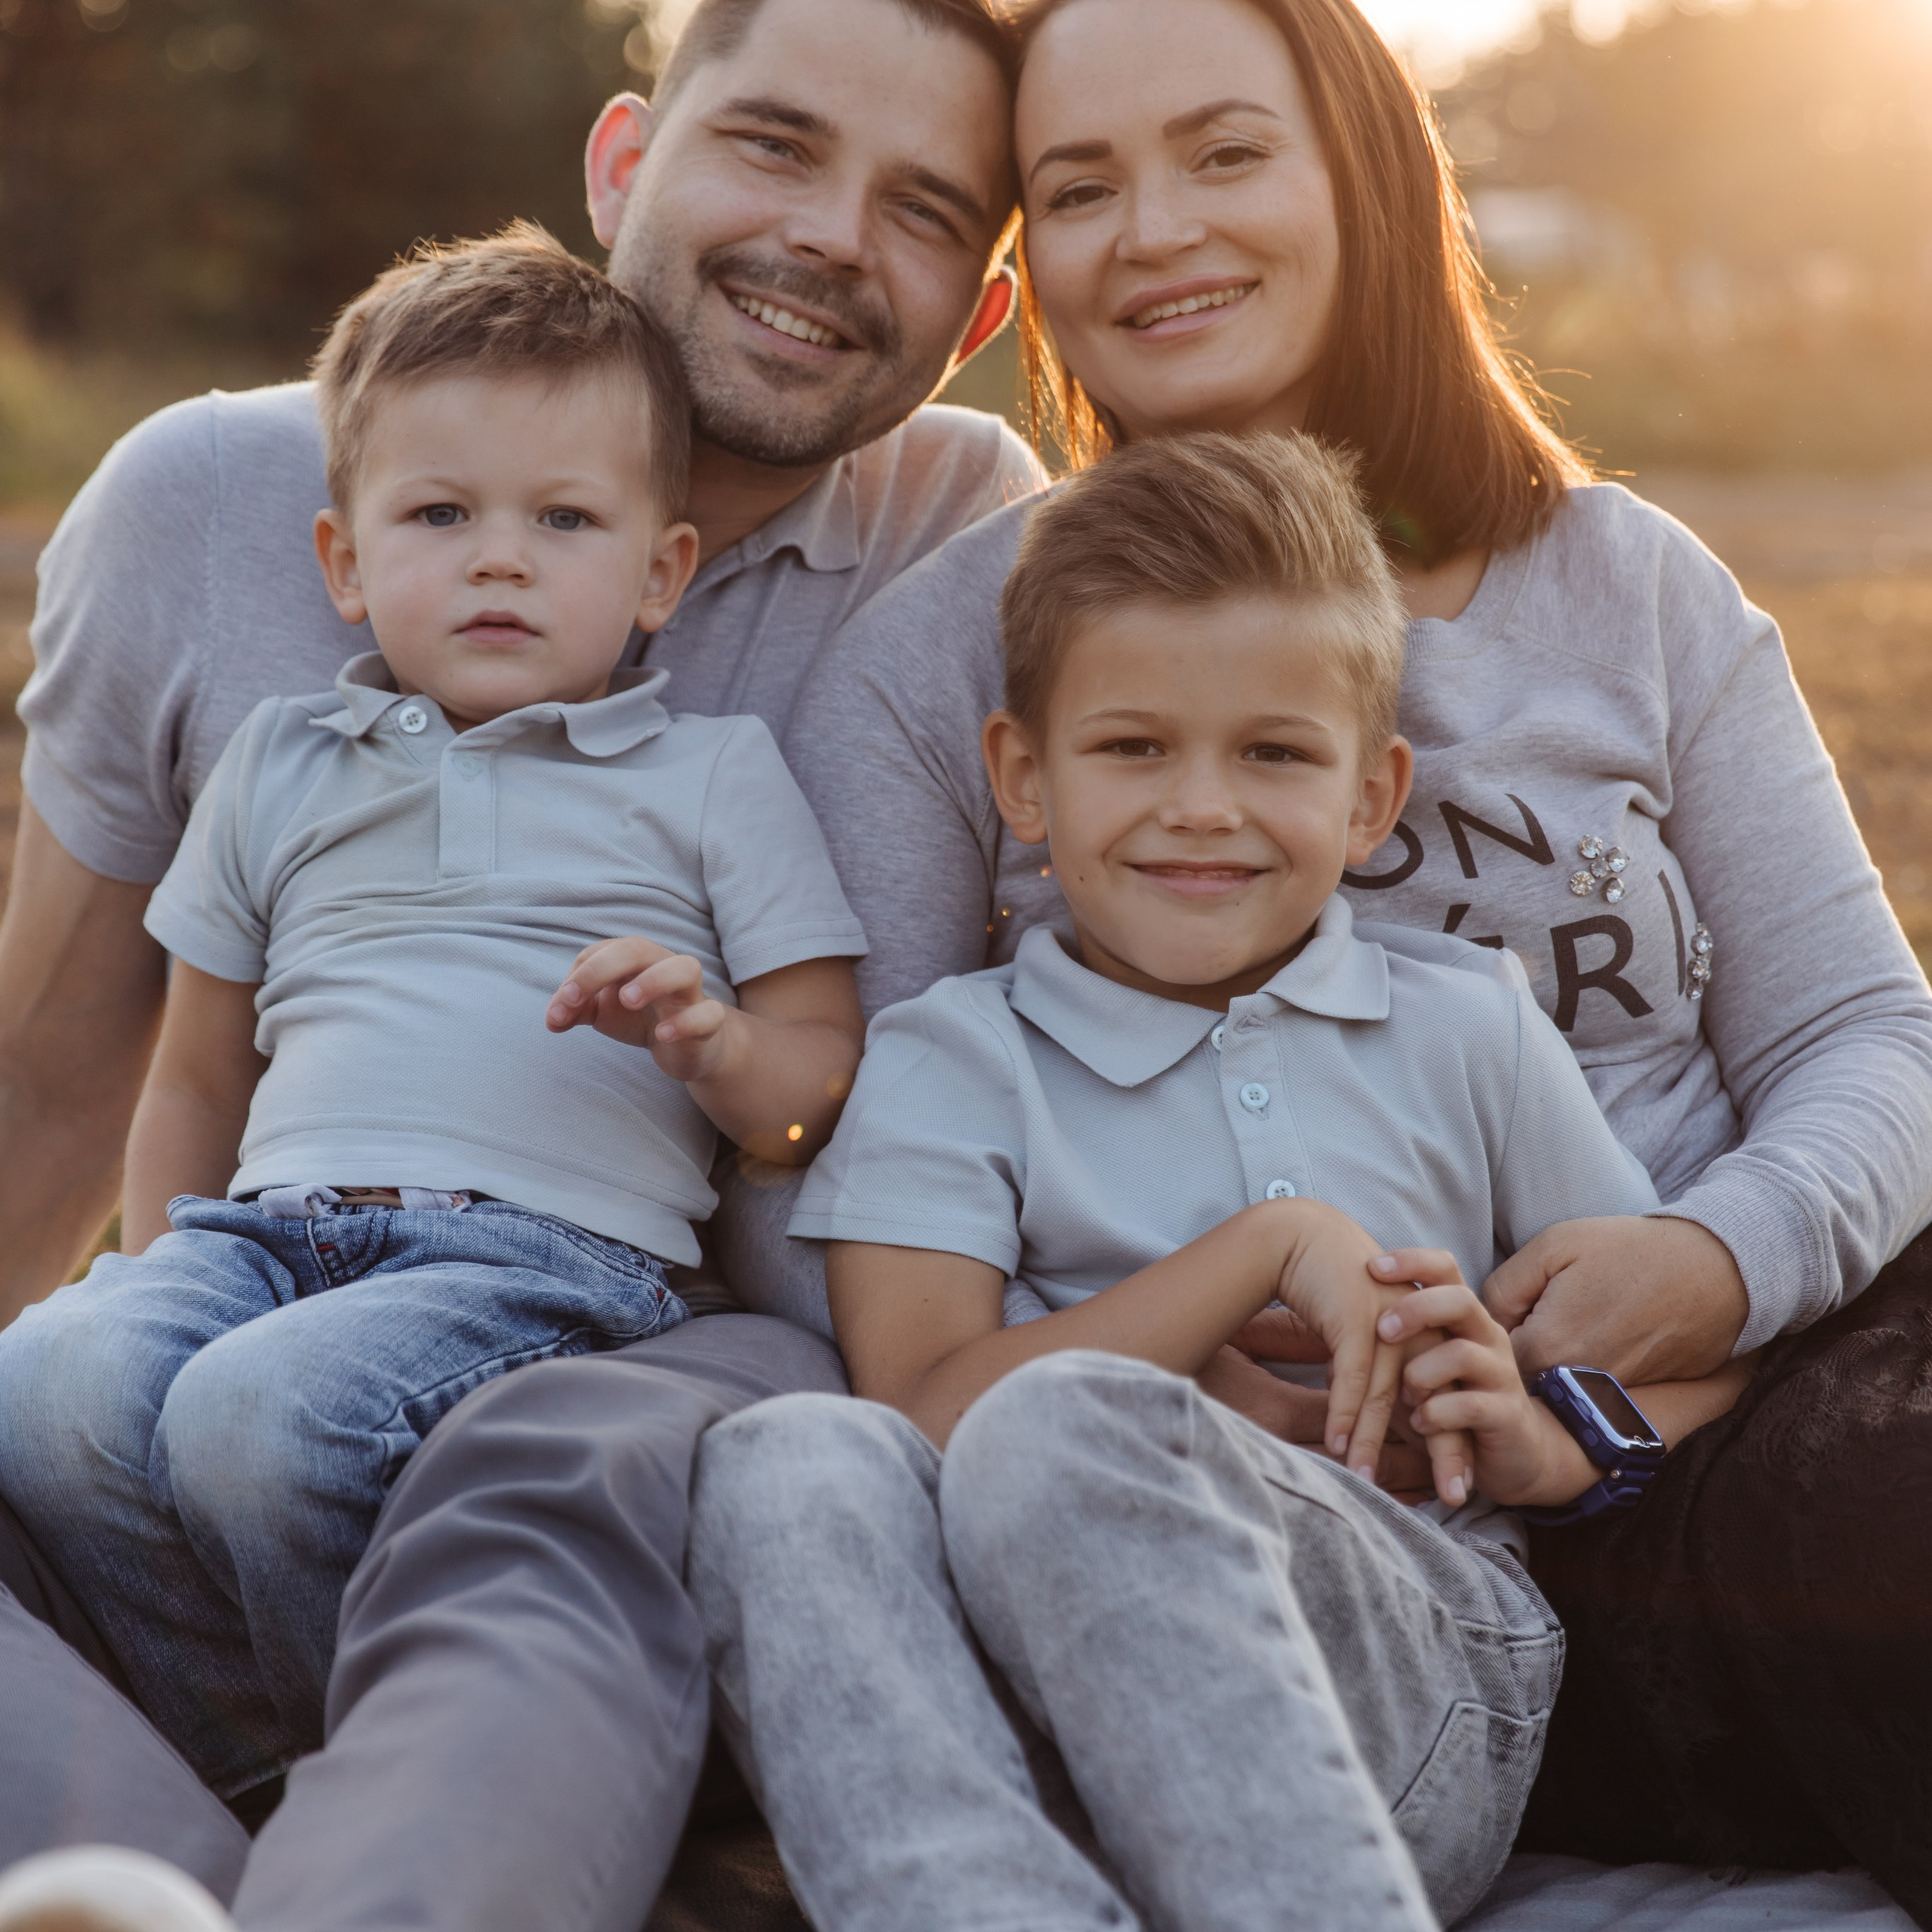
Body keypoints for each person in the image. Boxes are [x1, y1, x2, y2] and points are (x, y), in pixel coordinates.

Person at [775, 0, 1932, 1913]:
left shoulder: (1624, 583)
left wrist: (1710, 1263)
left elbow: (1866, 1032)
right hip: (1247, 1483)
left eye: (1223, 152)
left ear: (1361, 176)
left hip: (1700, 1401)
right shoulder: (948, 656)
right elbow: (864, 1147)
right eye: (1078, 188)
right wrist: (1157, 1354)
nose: (1154, 228)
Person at [0, 0, 1041, 1927]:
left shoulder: (977, 539)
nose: (827, 234)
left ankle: (377, 1879)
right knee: (54, 1403)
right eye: (775, 143)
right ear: (623, 164)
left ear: (979, 314)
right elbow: (69, 1069)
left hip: (662, 1314)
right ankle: (158, 1865)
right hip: (287, 1248)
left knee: (450, 1472)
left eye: (919, 207)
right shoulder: (206, 505)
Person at [689, 431, 1752, 1932]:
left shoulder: (1466, 1023)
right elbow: (923, 1410)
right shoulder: (951, 1056)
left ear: (1371, 795)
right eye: (1133, 747)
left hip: (1406, 1678)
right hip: (1023, 1719)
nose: (1202, 806)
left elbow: (1701, 1353)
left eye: (1273, 754)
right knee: (780, 1461)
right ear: (1023, 778)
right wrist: (1265, 1247)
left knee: (1066, 1424)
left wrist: (1549, 1439)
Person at [0, 226, 869, 1813]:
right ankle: (254, 1767)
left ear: (660, 571)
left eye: (563, 519)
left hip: (539, 1257)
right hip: (263, 1237)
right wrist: (164, 1285)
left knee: (266, 1420)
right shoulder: (280, 764)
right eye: (441, 515)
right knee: (48, 1387)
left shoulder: (708, 776)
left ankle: (395, 1791)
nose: (499, 560)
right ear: (345, 561)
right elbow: (196, 1073)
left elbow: (815, 1074)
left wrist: (713, 1044)